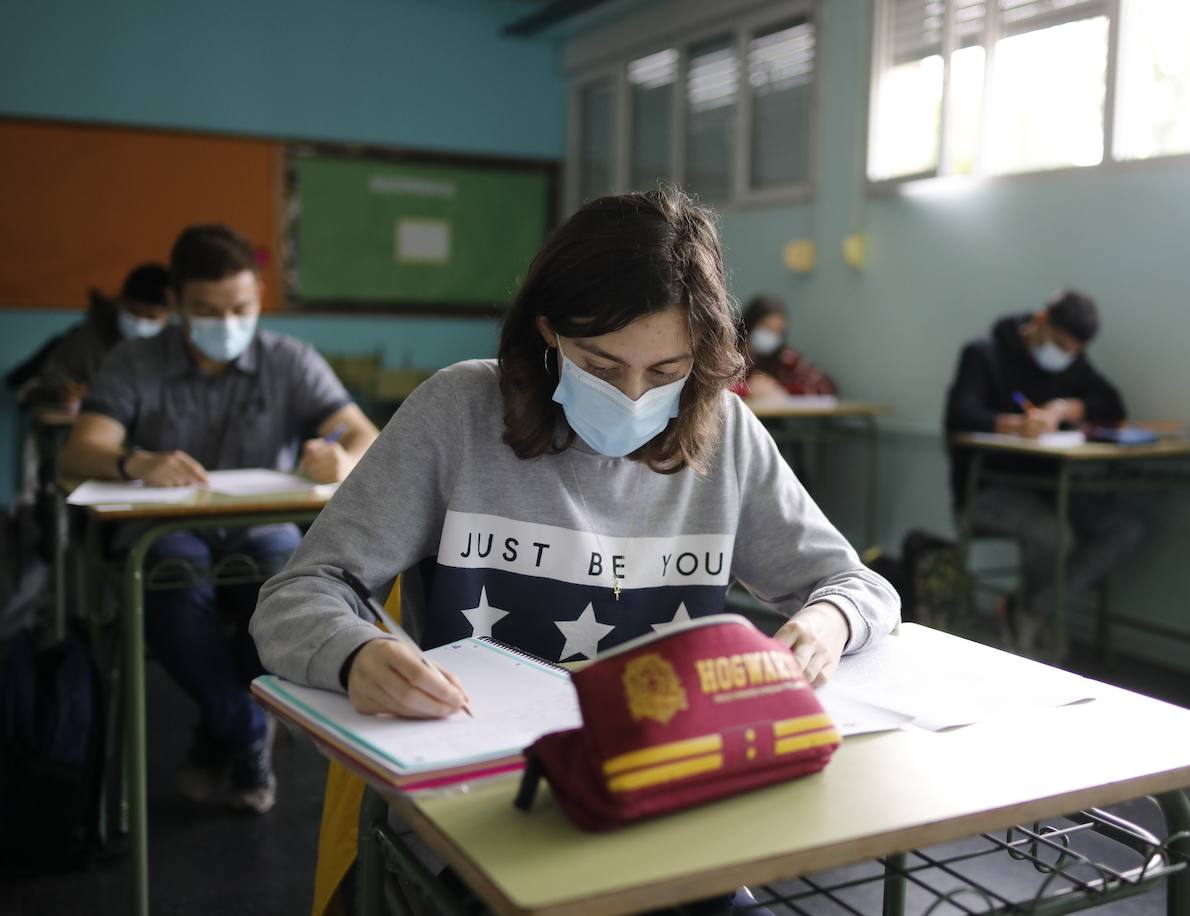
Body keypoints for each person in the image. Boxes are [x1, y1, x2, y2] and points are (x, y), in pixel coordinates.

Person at [250, 189, 898, 911]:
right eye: (599, 364)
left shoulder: (725, 431)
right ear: (548, 330)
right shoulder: (460, 411)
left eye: (664, 372)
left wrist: (827, 622)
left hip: (666, 812)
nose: (630, 395)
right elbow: (297, 595)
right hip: (483, 814)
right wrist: (355, 654)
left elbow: (856, 584)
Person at [60, 224, 380, 814]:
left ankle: (220, 730)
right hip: (166, 529)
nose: (227, 322)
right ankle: (245, 725)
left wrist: (340, 455)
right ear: (177, 304)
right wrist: (134, 460)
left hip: (264, 526)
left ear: (258, 296)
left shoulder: (289, 359)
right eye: (207, 310)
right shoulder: (135, 361)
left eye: (241, 307)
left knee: (289, 589)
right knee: (175, 584)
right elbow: (80, 450)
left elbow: (364, 433)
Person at [942, 289, 1144, 657]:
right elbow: (961, 415)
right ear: (1040, 320)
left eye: (1072, 352)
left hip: (1051, 487)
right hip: (987, 488)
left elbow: (1112, 405)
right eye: (1059, 345)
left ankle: (1032, 608)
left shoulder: (1070, 364)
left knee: (1122, 529)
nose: (1063, 356)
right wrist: (1016, 425)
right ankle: (1030, 625)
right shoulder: (984, 353)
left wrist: (1064, 409)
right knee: (1055, 536)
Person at [15, 264, 172, 410]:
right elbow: (40, 384)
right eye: (133, 312)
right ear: (120, 302)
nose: (140, 322)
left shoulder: (176, 348)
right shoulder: (86, 340)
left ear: (169, 314)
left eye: (151, 317)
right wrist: (61, 393)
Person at [731, 294, 837, 401]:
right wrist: (747, 389)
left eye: (778, 331)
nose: (771, 336)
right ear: (749, 324)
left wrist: (781, 389)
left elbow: (825, 387)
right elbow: (716, 388)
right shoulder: (727, 354)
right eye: (766, 327)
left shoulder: (785, 358)